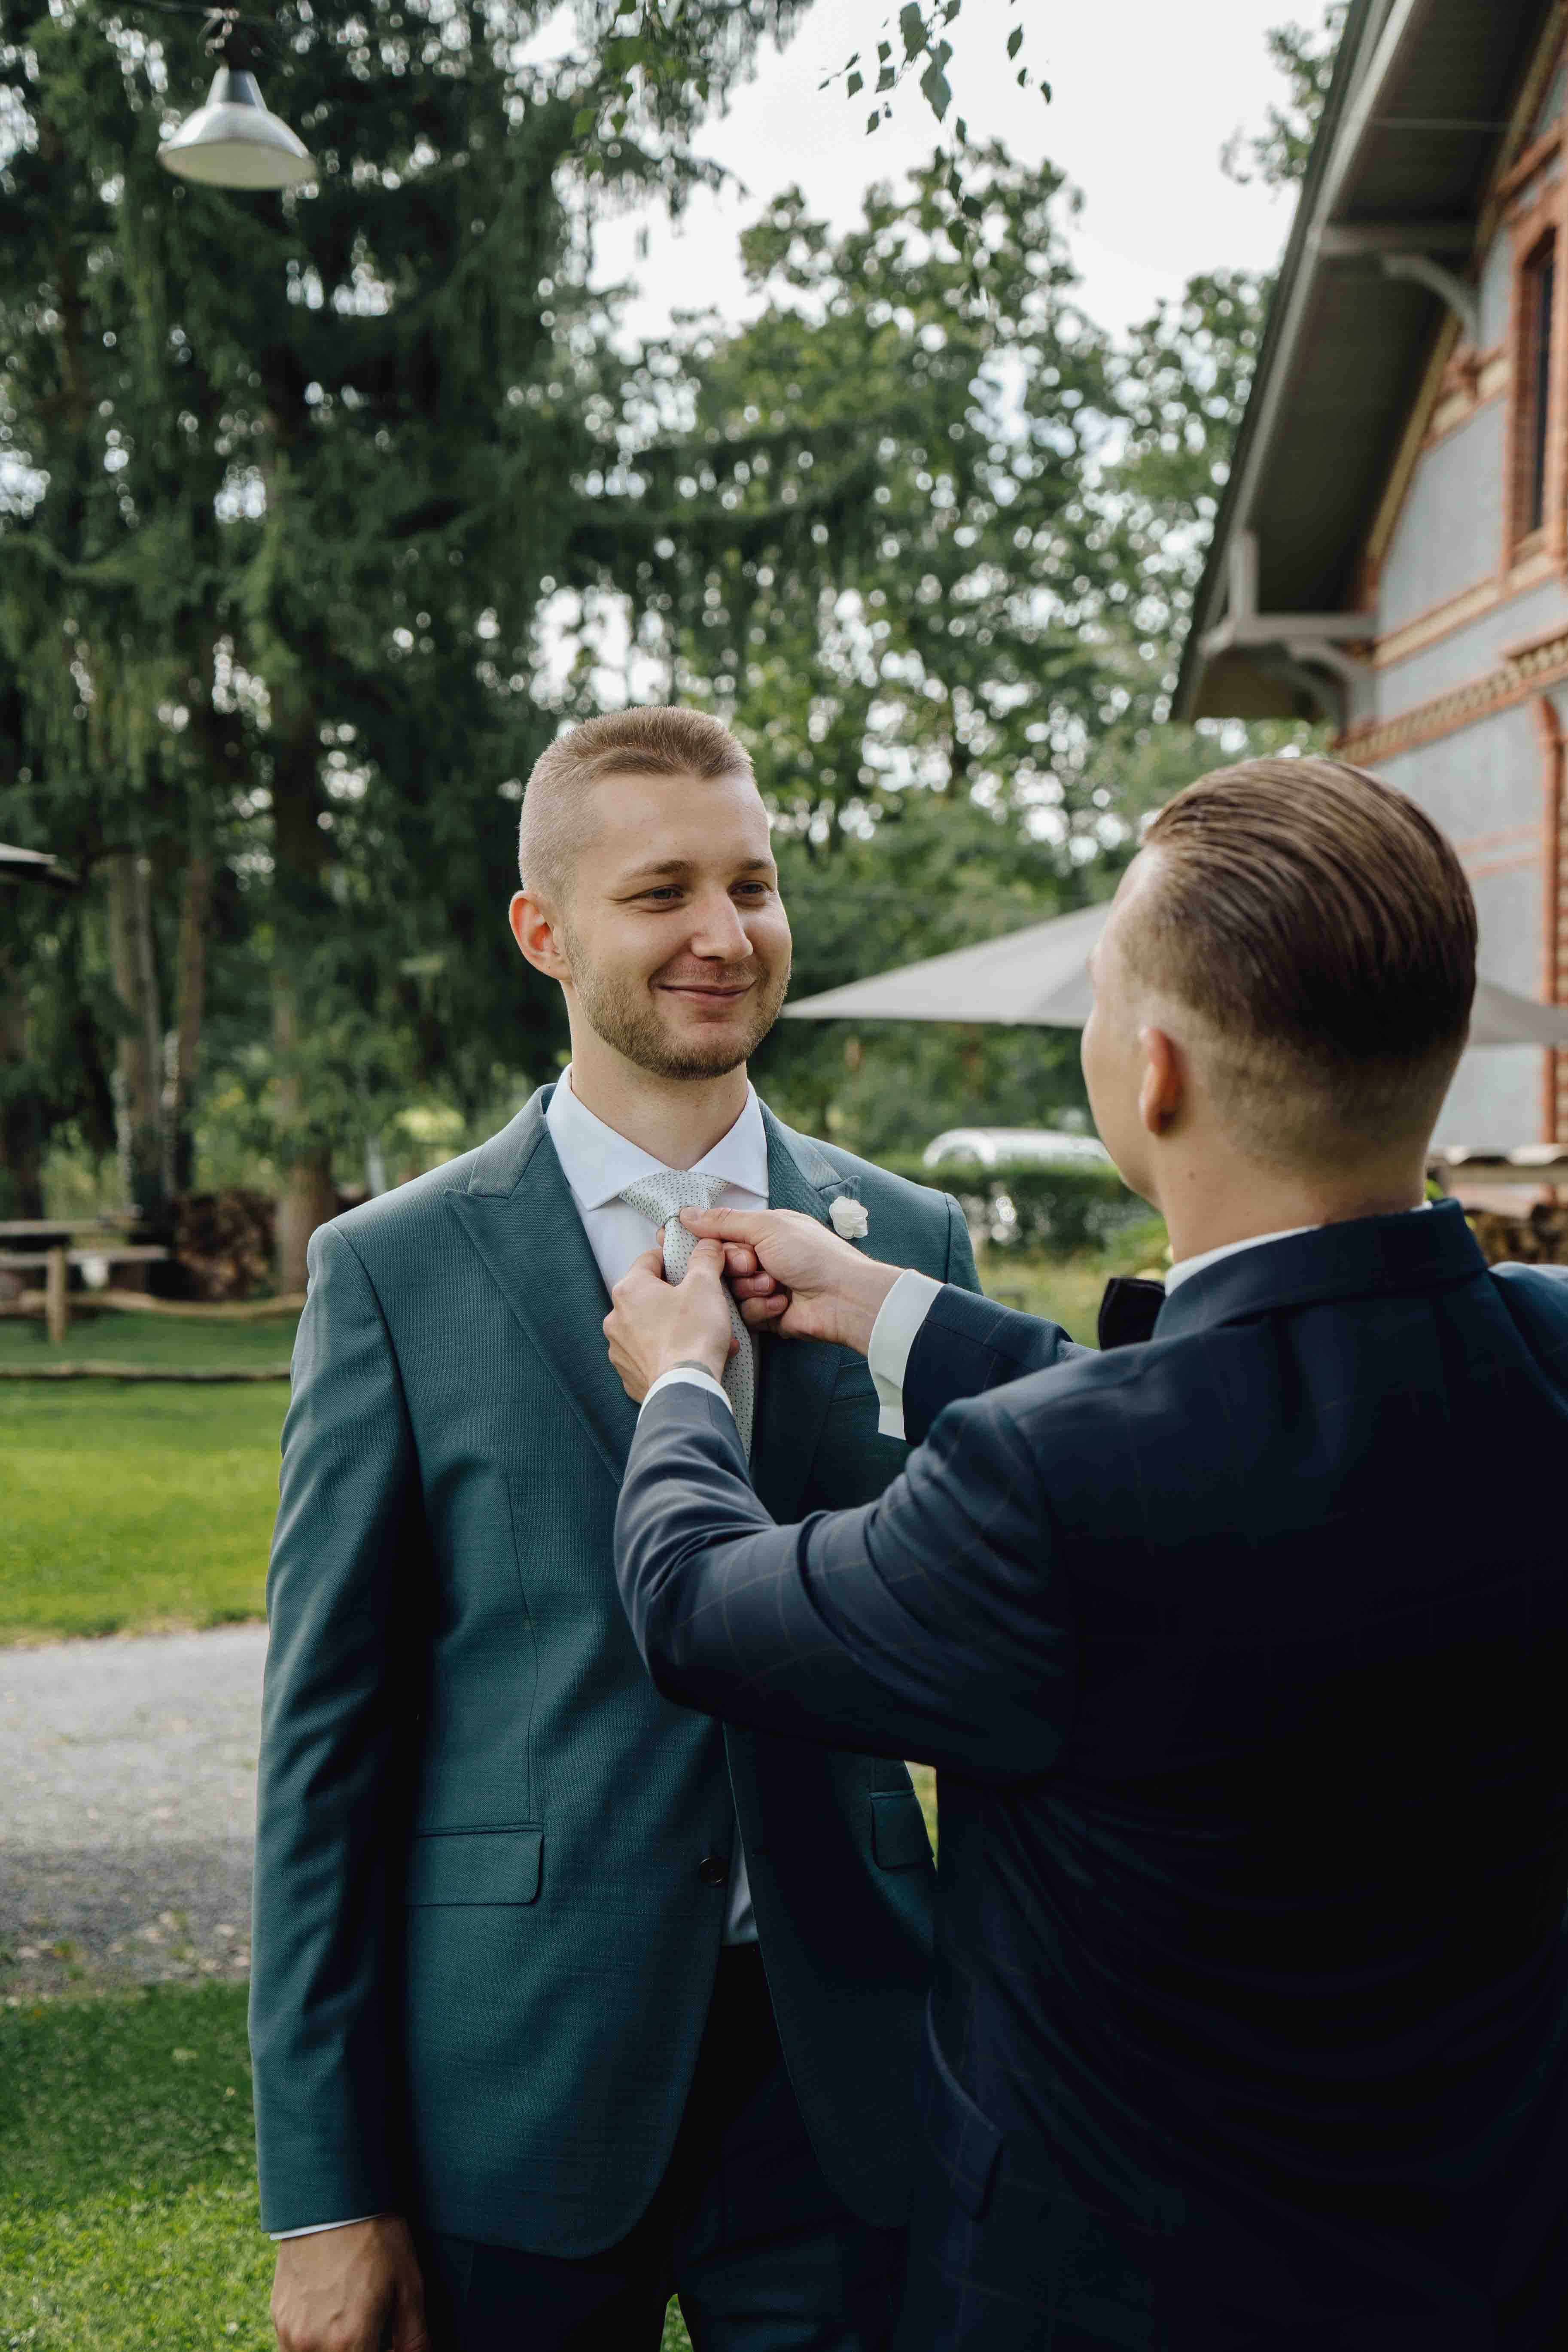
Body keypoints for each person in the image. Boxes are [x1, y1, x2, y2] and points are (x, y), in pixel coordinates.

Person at [606, 757, 1568, 2351]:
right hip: (1491, 2264)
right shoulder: (1541, 1360)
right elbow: (1233, 1445)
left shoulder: (1050, 1493)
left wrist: (684, 1378)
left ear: (1155, 1069)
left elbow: (700, 1604)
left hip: (1126, 2293)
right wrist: (884, 1305)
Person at [251, 706, 981, 2352]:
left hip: (844, 2068)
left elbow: (979, 1665)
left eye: (755, 885)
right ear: (545, 930)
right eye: (663, 894)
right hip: (514, 2075)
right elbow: (324, 1750)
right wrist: (322, 2191)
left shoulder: (913, 1237)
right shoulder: (392, 1270)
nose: (725, 936)